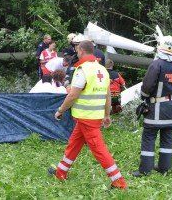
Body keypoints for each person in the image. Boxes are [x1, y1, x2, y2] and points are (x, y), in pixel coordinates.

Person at [48, 40, 127, 189]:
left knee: (99, 150)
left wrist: (60, 110)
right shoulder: (103, 70)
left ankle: (119, 182)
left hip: (86, 117)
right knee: (73, 144)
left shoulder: (82, 70)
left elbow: (72, 95)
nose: (77, 53)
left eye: (77, 51)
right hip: (93, 117)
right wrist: (107, 115)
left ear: (82, 51)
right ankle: (60, 172)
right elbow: (108, 95)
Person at [132, 36, 172, 177]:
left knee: (149, 137)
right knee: (167, 137)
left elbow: (147, 86)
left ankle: (145, 170)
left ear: (160, 47)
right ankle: (165, 168)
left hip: (156, 109)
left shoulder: (157, 64)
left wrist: (144, 97)